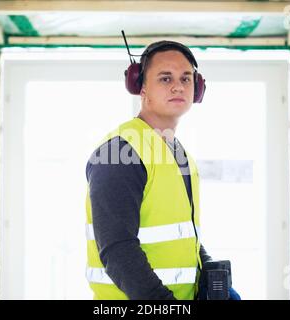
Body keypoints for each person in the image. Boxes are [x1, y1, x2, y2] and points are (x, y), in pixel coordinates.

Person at [85, 40, 239, 300]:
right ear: (142, 87)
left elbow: (181, 232)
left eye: (186, 78)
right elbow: (118, 250)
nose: (178, 86)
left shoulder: (178, 152)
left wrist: (207, 269)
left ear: (198, 88)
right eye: (165, 78)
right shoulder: (120, 152)